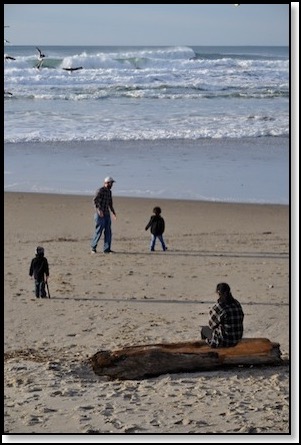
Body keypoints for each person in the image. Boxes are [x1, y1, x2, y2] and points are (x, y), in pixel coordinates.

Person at [200, 282, 244, 348]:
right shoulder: (237, 303)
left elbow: (211, 325)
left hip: (224, 341)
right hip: (237, 339)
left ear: (218, 293)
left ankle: (207, 349)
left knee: (204, 330)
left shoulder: (219, 306)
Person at [91, 176, 117, 254]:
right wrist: (99, 210)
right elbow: (95, 201)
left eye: (112, 183)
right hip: (99, 215)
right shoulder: (100, 190)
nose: (112, 185)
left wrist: (113, 212)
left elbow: (110, 203)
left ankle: (107, 249)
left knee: (108, 231)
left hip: (107, 214)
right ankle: (93, 247)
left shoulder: (109, 192)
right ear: (107, 183)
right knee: (98, 231)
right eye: (111, 183)